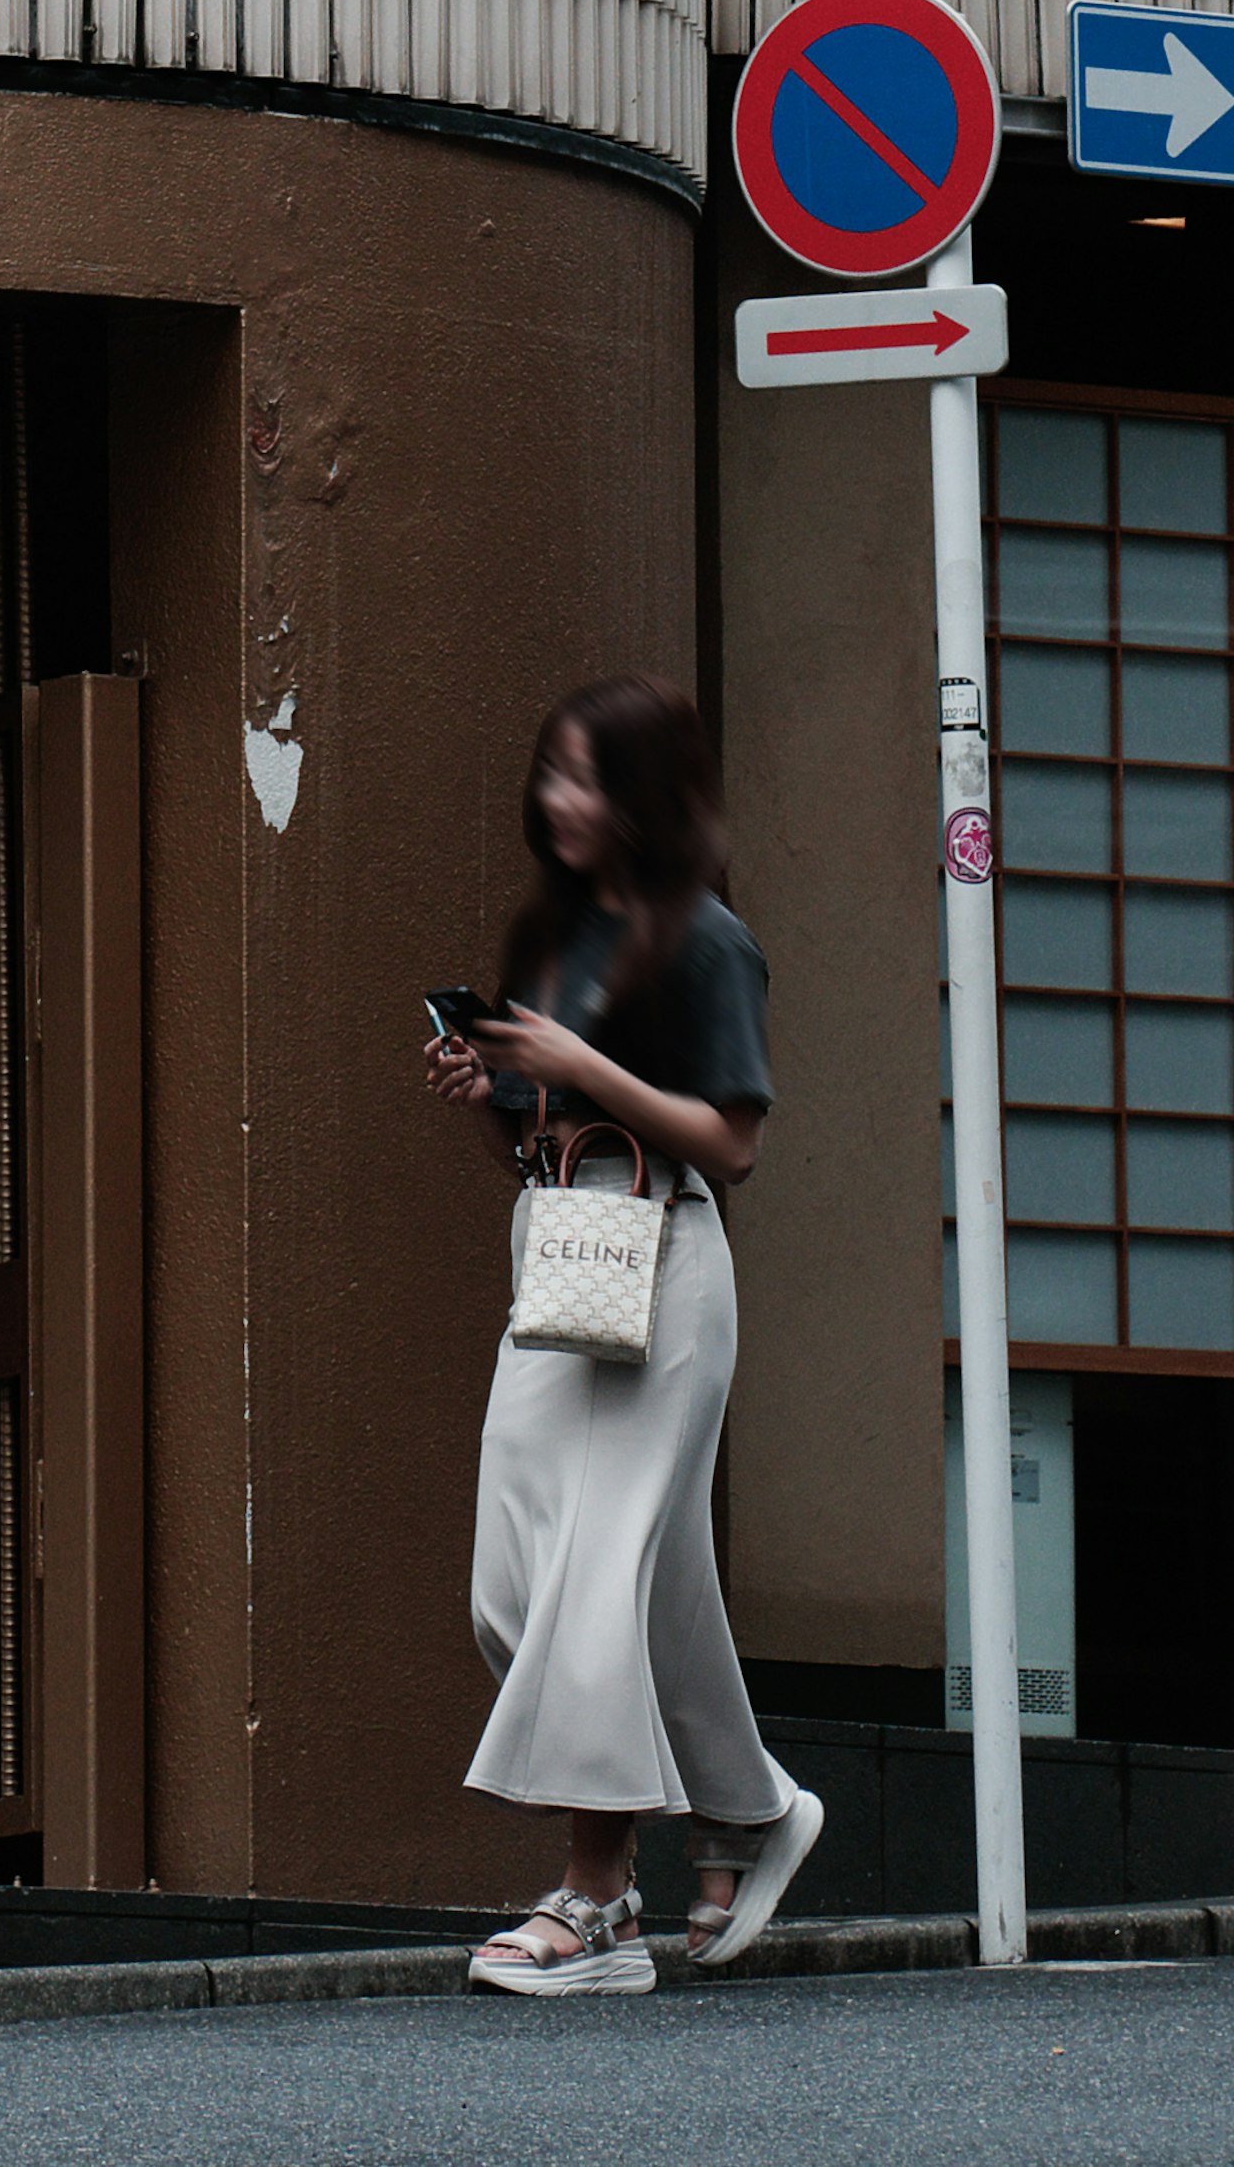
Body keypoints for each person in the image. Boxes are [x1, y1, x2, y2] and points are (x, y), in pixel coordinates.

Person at [426, 673, 826, 1995]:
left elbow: (733, 1140)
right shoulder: (556, 933)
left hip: (663, 1258)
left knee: (596, 1577)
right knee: (522, 1582)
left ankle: (596, 1904)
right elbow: (539, 1129)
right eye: (553, 772)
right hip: (561, 1249)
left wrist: (584, 1069)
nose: (560, 798)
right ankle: (753, 1804)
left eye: (588, 776)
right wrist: (491, 1087)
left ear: (647, 796)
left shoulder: (704, 939)